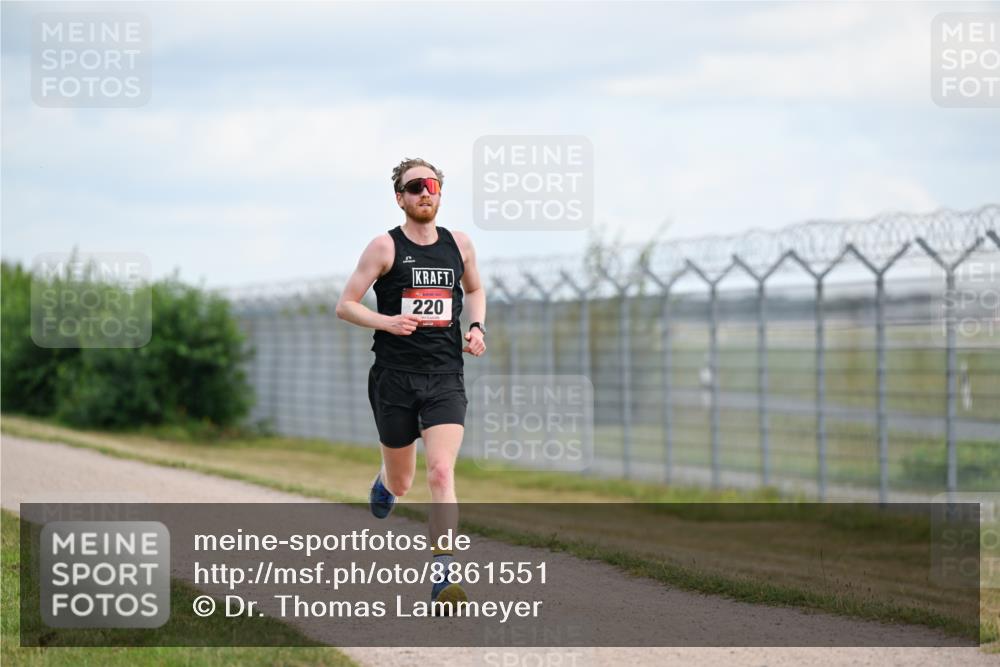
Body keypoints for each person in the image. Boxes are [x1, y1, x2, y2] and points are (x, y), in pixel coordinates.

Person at [335, 157, 486, 613]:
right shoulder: (385, 247)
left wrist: (476, 327)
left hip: (445, 377)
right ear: (399, 197)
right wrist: (387, 321)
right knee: (403, 482)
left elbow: (474, 290)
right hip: (394, 378)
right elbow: (346, 305)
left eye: (432, 185)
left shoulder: (459, 245)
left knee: (440, 472)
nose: (425, 192)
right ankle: (385, 482)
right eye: (415, 186)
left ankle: (444, 577)